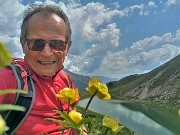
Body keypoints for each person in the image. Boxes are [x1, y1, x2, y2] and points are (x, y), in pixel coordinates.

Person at [0, 3, 87, 135]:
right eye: (37, 43)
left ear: (67, 47)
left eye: (57, 44)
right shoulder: (10, 78)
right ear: (23, 45)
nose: (47, 53)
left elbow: (73, 114)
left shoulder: (66, 79)